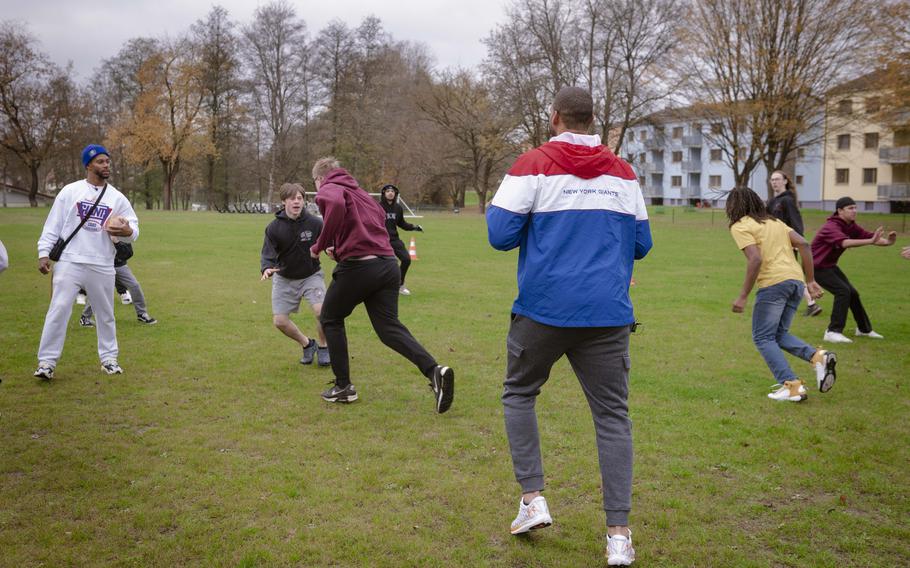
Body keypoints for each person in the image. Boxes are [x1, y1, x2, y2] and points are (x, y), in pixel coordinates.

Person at [486, 86, 651, 566]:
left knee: (519, 393)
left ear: (554, 116)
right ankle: (618, 536)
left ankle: (533, 498)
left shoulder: (531, 164)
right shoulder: (623, 171)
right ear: (590, 119)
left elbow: (500, 234)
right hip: (607, 313)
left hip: (543, 309)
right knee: (613, 418)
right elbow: (642, 243)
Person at [309, 156, 454, 412]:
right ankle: (434, 371)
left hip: (360, 267)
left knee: (330, 318)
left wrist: (319, 245)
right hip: (387, 266)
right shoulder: (362, 194)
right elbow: (370, 227)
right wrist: (340, 249)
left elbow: (332, 204)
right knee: (388, 328)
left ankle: (343, 387)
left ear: (320, 179)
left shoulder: (330, 187)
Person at [34, 144, 138, 379]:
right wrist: (43, 253)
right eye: (100, 161)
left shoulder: (116, 197)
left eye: (107, 161)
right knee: (58, 309)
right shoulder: (70, 192)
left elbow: (134, 230)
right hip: (70, 261)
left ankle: (109, 359)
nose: (106, 165)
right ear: (88, 164)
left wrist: (127, 230)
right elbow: (53, 225)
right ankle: (46, 363)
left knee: (105, 313)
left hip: (102, 263)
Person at [726, 186, 837, 403]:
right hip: (795, 283)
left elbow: (755, 259)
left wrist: (743, 296)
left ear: (733, 206)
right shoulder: (775, 222)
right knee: (777, 334)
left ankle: (792, 386)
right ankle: (818, 357)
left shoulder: (740, 226)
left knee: (762, 337)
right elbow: (804, 243)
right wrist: (810, 280)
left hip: (773, 285)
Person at [260, 183, 329, 366]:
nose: (297, 202)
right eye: (292, 199)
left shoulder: (315, 223)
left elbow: (330, 242)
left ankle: (324, 346)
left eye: (300, 198)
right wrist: (267, 267)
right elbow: (268, 253)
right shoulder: (274, 228)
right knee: (280, 321)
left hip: (311, 275)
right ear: (284, 201)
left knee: (322, 312)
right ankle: (307, 344)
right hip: (285, 278)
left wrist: (331, 249)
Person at [811, 196, 896, 343]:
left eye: (855, 207)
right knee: (843, 291)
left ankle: (864, 329)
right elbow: (845, 243)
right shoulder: (831, 227)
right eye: (850, 208)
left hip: (829, 266)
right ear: (839, 211)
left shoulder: (850, 225)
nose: (854, 211)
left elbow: (871, 237)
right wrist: (870, 241)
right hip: (816, 268)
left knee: (853, 293)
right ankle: (832, 332)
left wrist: (888, 242)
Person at [767, 170, 821, 317]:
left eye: (777, 179)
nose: (774, 182)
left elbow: (796, 223)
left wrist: (797, 242)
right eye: (772, 180)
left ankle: (810, 303)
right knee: (790, 273)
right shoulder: (772, 202)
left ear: (785, 181)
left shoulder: (788, 200)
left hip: (788, 244)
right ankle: (808, 303)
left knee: (790, 273)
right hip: (774, 244)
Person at [79, 242, 157, 327]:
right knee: (100, 291)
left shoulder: (121, 232)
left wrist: (117, 248)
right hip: (103, 265)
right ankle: (85, 317)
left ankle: (142, 314)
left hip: (119, 265)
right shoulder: (100, 231)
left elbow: (129, 252)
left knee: (135, 286)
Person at [379, 184, 423, 295]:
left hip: (394, 239)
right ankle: (379, 287)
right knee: (386, 264)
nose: (390, 193)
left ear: (395, 194)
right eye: (388, 191)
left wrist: (414, 227)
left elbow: (402, 224)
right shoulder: (378, 207)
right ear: (384, 193)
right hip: (381, 240)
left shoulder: (398, 208)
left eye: (392, 191)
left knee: (406, 259)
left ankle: (400, 285)